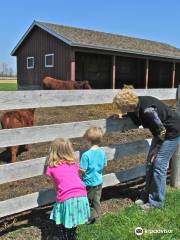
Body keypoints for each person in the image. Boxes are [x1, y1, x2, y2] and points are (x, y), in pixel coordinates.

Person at [113, 89, 180, 211]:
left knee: (159, 164)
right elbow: (138, 118)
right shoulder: (137, 105)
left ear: (127, 103)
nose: (119, 107)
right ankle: (146, 196)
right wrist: (123, 116)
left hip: (171, 133)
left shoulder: (148, 111)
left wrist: (157, 149)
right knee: (150, 163)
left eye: (120, 106)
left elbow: (162, 131)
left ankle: (155, 203)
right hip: (160, 133)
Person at [45, 138, 90, 240]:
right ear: (69, 150)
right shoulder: (74, 164)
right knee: (73, 220)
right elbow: (78, 176)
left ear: (53, 151)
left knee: (61, 221)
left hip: (67, 198)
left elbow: (56, 187)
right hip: (82, 196)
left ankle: (64, 237)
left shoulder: (51, 168)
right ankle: (72, 236)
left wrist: (60, 196)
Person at [80, 127, 107, 223]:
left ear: (88, 140)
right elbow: (104, 165)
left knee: (89, 201)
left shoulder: (86, 155)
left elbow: (82, 170)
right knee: (96, 200)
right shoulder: (102, 152)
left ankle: (94, 218)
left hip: (89, 183)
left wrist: (77, 170)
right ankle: (97, 218)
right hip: (99, 181)